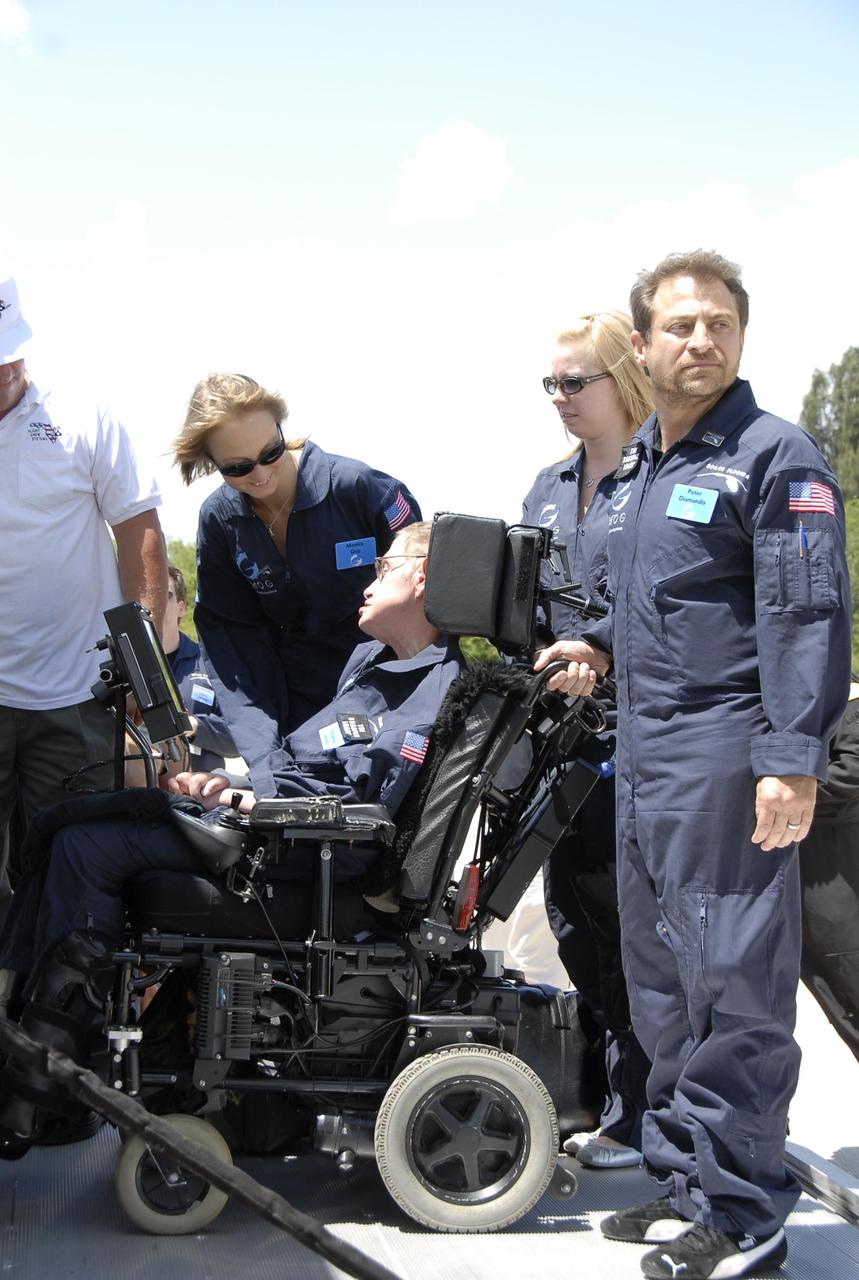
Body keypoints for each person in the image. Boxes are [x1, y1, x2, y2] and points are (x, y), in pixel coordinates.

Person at [536, 251, 851, 1279]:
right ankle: (685, 1176)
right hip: (642, 748)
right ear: (642, 343)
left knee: (735, 983)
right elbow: (641, 610)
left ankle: (745, 1204)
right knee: (660, 975)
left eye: (718, 322)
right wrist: (596, 652)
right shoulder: (636, 472)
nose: (700, 340)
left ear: (741, 335)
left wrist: (790, 757)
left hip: (728, 751)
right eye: (679, 325)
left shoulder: (773, 456)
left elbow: (805, 614)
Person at [0, 522, 473, 1151]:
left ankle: (48, 1084)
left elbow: (367, 807)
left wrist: (258, 803)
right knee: (69, 828)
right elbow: (304, 762)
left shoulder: (438, 688)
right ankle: (34, 1057)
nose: (369, 580)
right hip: (267, 831)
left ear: (423, 578)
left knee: (86, 844)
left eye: (384, 566)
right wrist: (228, 785)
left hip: (297, 860)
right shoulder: (372, 663)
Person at [523, 311, 653, 1170]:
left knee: (640, 932)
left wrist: (599, 648)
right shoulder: (543, 485)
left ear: (620, 378)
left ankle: (647, 1115)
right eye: (551, 385)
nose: (561, 399)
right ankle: (619, 1101)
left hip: (643, 735)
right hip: (562, 741)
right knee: (576, 920)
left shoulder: (664, 476)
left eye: (576, 382)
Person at [0, 275, 168, 912]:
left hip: (75, 696)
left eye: (7, 359)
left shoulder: (86, 420)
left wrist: (144, 682)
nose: (3, 374)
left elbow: (139, 531)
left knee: (70, 872)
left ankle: (52, 1012)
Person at [172, 372, 422, 797]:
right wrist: (264, 758)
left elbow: (427, 593)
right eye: (237, 468)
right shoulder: (219, 520)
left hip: (382, 698)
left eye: (270, 452)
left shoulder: (359, 489)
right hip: (294, 707)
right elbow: (232, 645)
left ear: (282, 428)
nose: (260, 475)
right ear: (212, 463)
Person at [798, 679, 859, 1061]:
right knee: (827, 980)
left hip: (836, 864)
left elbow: (851, 773)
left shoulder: (850, 700)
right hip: (801, 862)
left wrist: (786, 795)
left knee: (847, 969)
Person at [162, 564, 237, 774]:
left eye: (164, 594)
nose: (155, 602)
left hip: (201, 796)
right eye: (149, 594)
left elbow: (241, 736)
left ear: (181, 606)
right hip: (142, 790)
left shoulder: (211, 663)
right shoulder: (127, 666)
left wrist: (195, 726)